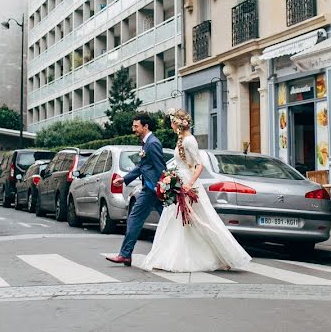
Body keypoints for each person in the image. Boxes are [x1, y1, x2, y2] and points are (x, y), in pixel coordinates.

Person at [139, 108, 251, 273]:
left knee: (199, 220)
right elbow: (180, 163)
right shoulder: (180, 139)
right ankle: (168, 256)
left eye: (172, 121)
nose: (170, 124)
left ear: (178, 123)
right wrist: (169, 178)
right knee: (175, 220)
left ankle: (222, 256)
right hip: (179, 182)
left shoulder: (189, 141)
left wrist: (189, 183)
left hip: (188, 185)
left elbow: (199, 165)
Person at [106, 113, 168, 266]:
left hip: (153, 190)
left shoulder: (152, 143)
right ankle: (125, 254)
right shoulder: (146, 142)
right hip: (150, 189)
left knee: (136, 219)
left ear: (145, 126)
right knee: (167, 220)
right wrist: (125, 179)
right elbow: (142, 166)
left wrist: (162, 188)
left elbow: (161, 167)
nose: (133, 129)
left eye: (136, 126)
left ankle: (125, 254)